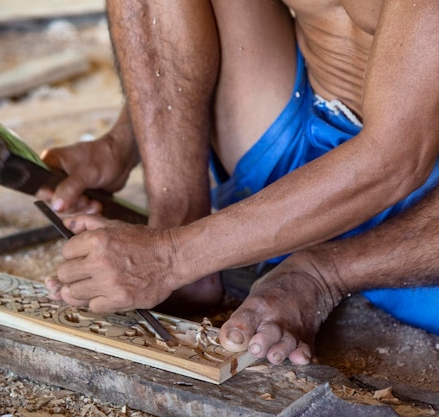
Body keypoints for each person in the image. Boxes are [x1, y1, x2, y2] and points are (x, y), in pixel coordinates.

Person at [36, 0, 439, 364]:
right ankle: (177, 223)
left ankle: (325, 269)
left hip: (419, 213)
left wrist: (172, 256)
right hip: (300, 139)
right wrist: (125, 141)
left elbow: (396, 160)